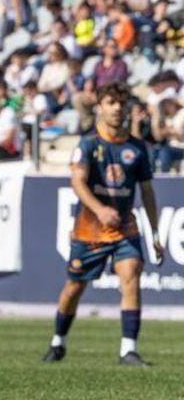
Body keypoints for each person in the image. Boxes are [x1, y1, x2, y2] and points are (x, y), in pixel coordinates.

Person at [43, 83, 163, 366]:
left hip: (124, 228)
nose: (117, 108)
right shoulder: (88, 144)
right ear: (100, 106)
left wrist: (155, 233)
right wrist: (99, 210)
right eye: (111, 102)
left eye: (121, 103)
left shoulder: (137, 147)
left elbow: (146, 192)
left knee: (131, 275)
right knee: (74, 287)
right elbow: (77, 182)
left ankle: (128, 350)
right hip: (90, 230)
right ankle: (58, 342)